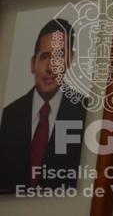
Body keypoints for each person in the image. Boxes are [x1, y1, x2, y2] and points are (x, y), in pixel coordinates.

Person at [0, 19, 89, 192]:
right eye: (44, 57)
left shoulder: (86, 114)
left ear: (70, 60)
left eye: (58, 56)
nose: (50, 67)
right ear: (33, 64)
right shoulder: (7, 117)